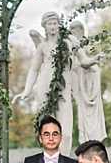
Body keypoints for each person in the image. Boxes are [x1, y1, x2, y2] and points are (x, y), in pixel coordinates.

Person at [17, 12, 75, 154]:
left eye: (55, 23)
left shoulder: (67, 43)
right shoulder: (42, 47)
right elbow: (34, 70)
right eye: (50, 24)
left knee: (65, 133)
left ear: (59, 25)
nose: (53, 26)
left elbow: (82, 59)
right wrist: (27, 90)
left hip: (63, 89)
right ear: (45, 27)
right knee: (48, 131)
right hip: (45, 87)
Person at [68, 19, 108, 144]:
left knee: (93, 114)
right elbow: (83, 63)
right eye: (77, 30)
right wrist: (95, 59)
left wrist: (94, 60)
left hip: (91, 85)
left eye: (81, 30)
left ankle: (93, 139)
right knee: (84, 114)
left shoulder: (84, 45)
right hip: (82, 85)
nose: (80, 32)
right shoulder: (72, 45)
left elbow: (86, 61)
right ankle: (87, 139)